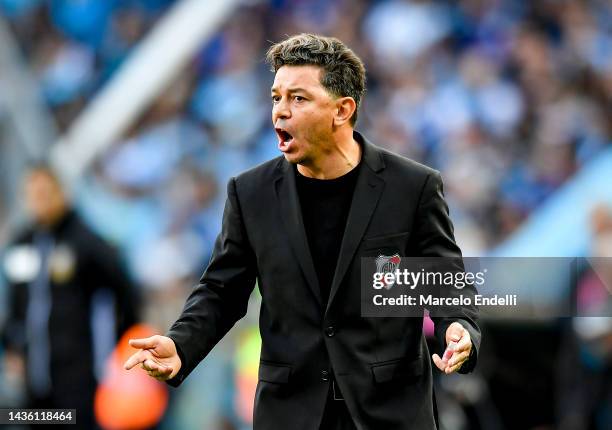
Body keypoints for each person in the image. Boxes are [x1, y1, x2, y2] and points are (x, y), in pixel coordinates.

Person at [125, 34, 481, 430]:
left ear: (343, 109)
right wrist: (180, 344)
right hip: (291, 414)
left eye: (298, 98)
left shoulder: (412, 187)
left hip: (389, 413)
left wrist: (459, 329)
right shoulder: (250, 193)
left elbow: (445, 282)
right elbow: (221, 291)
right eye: (276, 97)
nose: (280, 112)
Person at [2, 165, 138, 429]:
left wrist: (121, 343)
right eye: (32, 194)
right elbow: (14, 305)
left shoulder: (84, 242)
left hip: (77, 380)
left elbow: (125, 290)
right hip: (34, 381)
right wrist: (12, 345)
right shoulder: (21, 244)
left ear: (61, 193)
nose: (38, 201)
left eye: (45, 193)